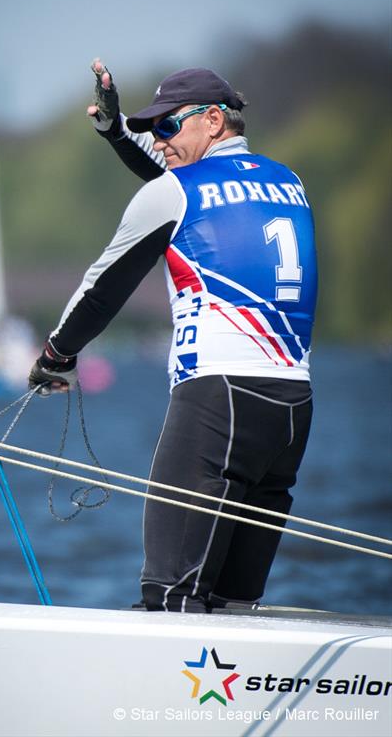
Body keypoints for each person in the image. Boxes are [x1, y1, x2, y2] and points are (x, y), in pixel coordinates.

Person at [29, 61, 317, 613]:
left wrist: (55, 355)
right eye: (151, 129)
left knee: (170, 601)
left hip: (218, 402)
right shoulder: (288, 181)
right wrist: (120, 133)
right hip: (291, 409)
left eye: (166, 127)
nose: (157, 142)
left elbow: (101, 292)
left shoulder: (173, 192)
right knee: (233, 610)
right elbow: (190, 189)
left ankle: (152, 702)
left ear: (213, 120)